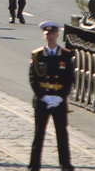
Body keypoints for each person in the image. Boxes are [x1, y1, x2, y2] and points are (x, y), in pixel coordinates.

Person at [28, 22, 75, 171]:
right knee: (38, 134)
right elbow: (33, 79)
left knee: (62, 134)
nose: (50, 37)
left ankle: (65, 164)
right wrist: (43, 96)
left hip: (58, 100)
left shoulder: (66, 55)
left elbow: (69, 79)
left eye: (53, 34)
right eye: (47, 35)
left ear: (57, 35)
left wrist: (60, 97)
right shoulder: (37, 55)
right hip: (43, 100)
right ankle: (34, 165)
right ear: (44, 35)